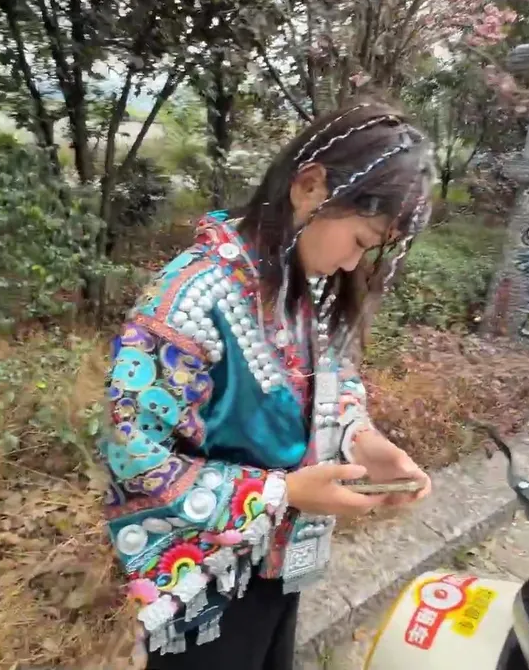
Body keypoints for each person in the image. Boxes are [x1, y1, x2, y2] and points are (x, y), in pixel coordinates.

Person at [98, 100, 437, 670]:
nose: (352, 264)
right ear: (309, 186)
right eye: (360, 240)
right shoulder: (186, 303)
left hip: (280, 559)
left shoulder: (299, 282)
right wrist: (284, 493)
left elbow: (334, 380)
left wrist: (363, 443)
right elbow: (135, 458)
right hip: (203, 579)